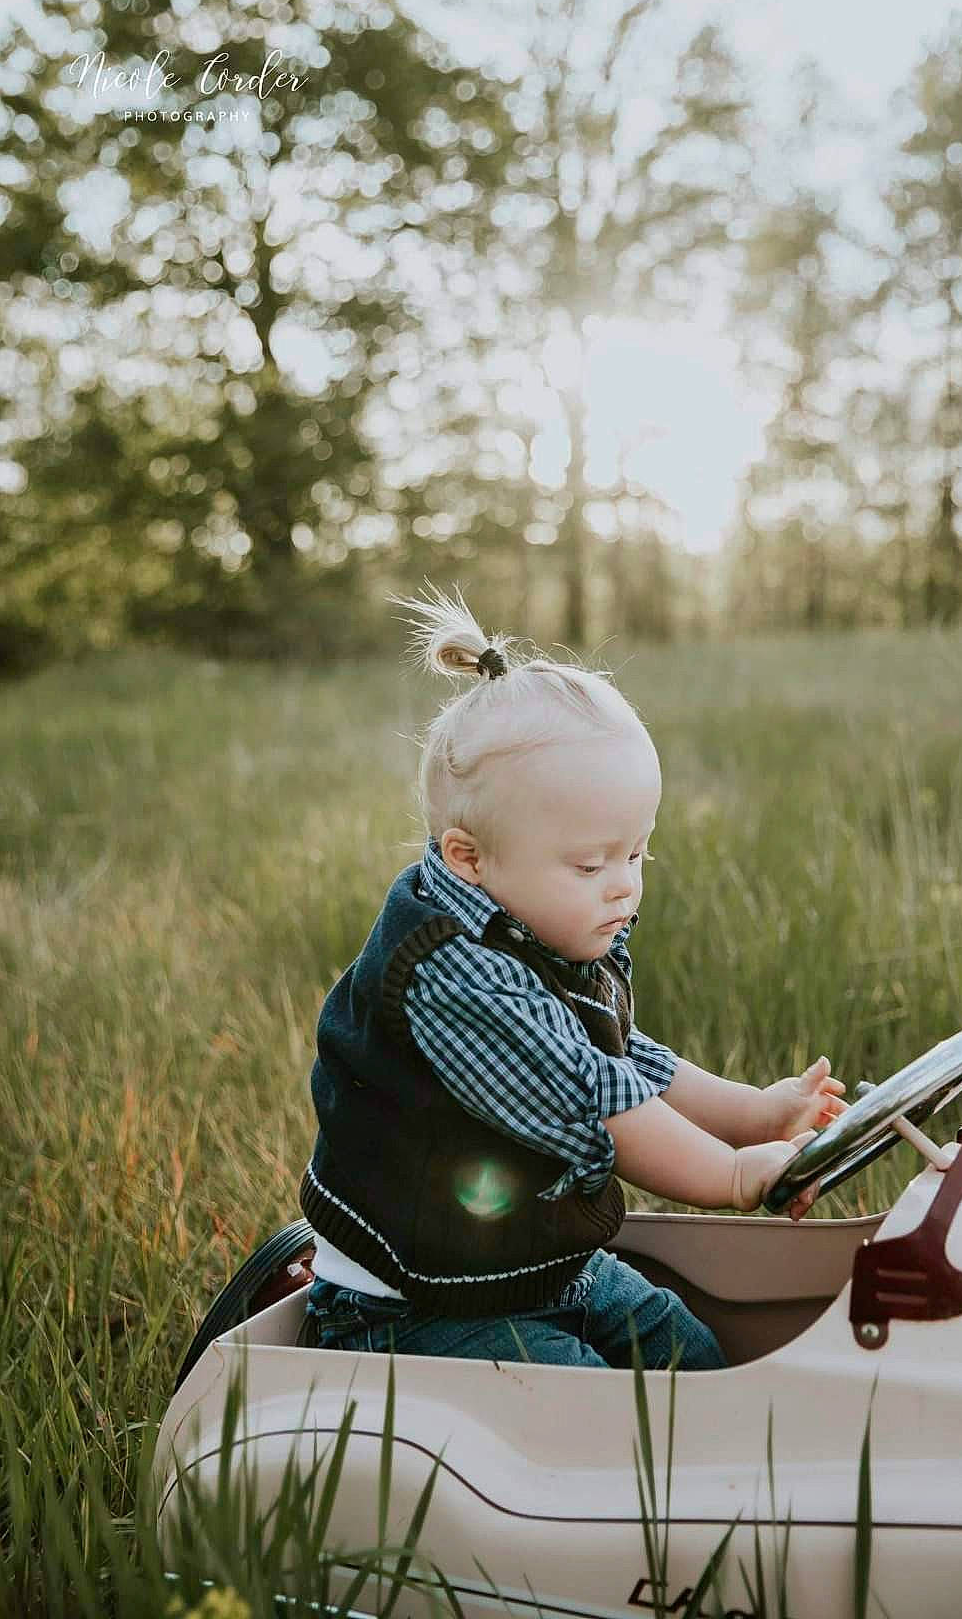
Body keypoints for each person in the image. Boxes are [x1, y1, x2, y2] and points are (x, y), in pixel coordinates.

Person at [301, 585, 845, 1370]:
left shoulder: (539, 922)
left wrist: (756, 1114)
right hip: (412, 1299)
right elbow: (598, 1102)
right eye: (591, 864)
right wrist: (730, 1174)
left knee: (685, 1348)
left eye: (636, 854)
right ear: (470, 858)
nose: (623, 884)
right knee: (591, 1401)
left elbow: (621, 1058)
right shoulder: (457, 980)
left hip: (527, 1262)